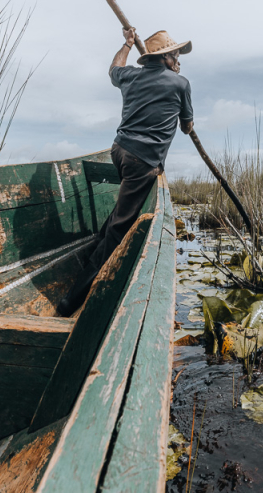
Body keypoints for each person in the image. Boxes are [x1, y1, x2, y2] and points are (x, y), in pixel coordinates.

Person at [56, 28, 194, 317]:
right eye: (176, 54)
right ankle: (72, 301)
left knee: (119, 212)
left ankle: (88, 256)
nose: (179, 58)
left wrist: (127, 44)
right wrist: (185, 118)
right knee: (120, 229)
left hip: (119, 151)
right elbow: (186, 126)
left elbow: (113, 69)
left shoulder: (130, 75)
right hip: (143, 162)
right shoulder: (180, 83)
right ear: (166, 57)